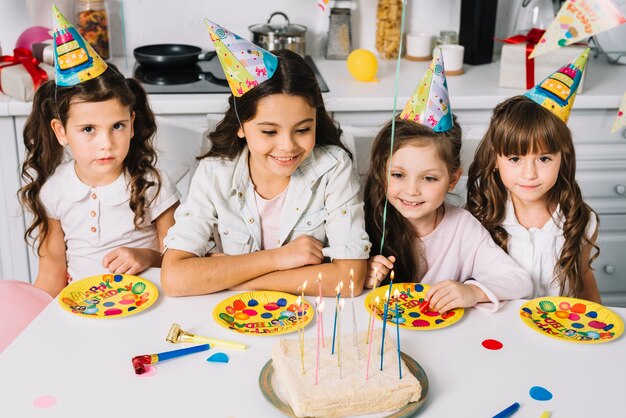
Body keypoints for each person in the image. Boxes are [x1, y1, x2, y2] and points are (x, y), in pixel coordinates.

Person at [161, 21, 369, 296]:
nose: (287, 146)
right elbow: (175, 278)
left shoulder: (333, 167)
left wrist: (236, 278)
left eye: (303, 129)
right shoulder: (215, 173)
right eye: (269, 131)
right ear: (240, 126)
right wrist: (278, 259)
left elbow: (350, 279)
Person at [18, 6, 179, 298]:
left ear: (132, 124)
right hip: (86, 312)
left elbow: (182, 261)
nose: (105, 143)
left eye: (116, 126)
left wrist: (147, 256)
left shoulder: (153, 184)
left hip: (149, 304)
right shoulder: (55, 192)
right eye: (89, 129)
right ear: (61, 132)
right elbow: (51, 274)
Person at [365, 50, 532, 313]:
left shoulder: (463, 230)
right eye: (398, 175)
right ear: (381, 171)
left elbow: (519, 281)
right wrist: (365, 276)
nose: (411, 190)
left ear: (453, 179)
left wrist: (471, 291)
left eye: (429, 178)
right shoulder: (368, 220)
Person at [466, 51, 600, 302]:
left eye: (544, 159)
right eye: (515, 159)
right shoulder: (480, 215)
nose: (530, 174)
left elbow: (584, 284)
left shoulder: (580, 220)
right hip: (498, 334)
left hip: (556, 334)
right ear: (496, 159)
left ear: (564, 157)